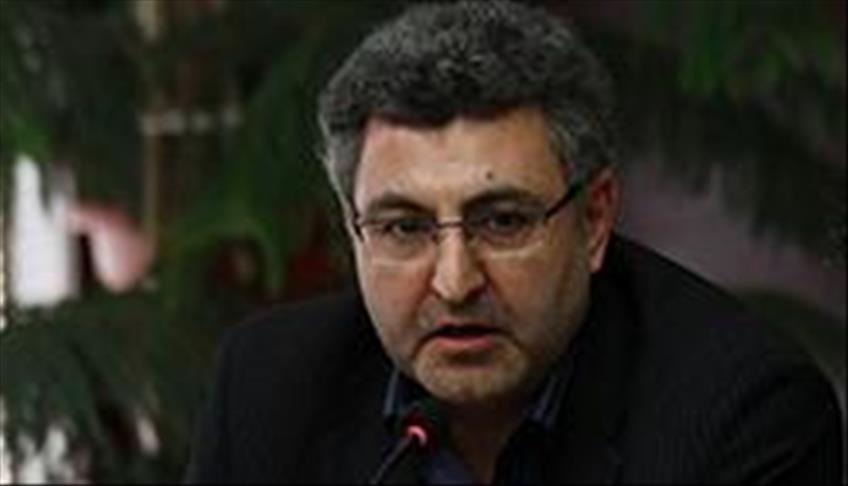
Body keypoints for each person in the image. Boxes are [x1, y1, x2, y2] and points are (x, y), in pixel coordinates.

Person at [186, 1, 843, 483]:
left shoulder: (740, 414)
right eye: (404, 228)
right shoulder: (267, 387)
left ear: (594, 220)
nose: (454, 283)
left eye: (502, 222)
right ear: (351, 225)